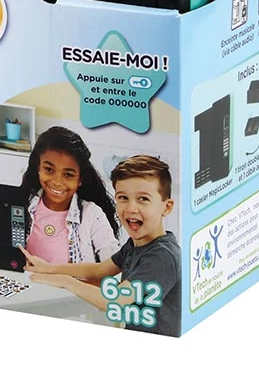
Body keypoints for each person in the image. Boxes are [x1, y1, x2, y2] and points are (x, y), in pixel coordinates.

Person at [23, 155, 181, 336]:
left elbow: (114, 301)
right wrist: (49, 268)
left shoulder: (162, 257)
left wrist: (66, 281)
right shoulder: (135, 245)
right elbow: (98, 270)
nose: (131, 208)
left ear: (166, 207)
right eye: (123, 197)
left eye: (143, 199)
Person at [19, 127, 119, 265]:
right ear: (38, 168)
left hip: (71, 280)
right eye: (49, 169)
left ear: (80, 179)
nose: (57, 182)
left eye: (68, 175)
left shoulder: (91, 214)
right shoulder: (21, 204)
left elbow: (113, 263)